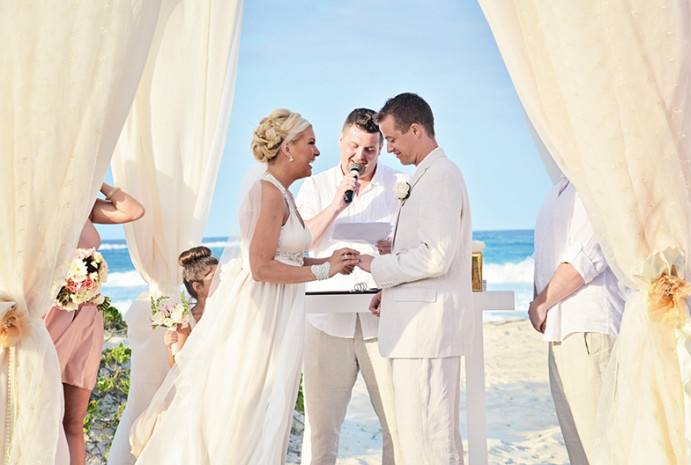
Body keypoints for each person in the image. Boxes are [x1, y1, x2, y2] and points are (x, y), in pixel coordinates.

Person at [130, 109, 360, 464]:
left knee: (263, 409)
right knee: (248, 408)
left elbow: (287, 256)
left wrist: (329, 263)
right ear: (287, 148)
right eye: (311, 143)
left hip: (278, 311)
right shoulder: (267, 192)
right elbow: (261, 266)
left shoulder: (282, 192)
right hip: (261, 319)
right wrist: (322, 273)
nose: (317, 152)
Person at [357, 93, 472, 465]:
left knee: (431, 440)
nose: (388, 148)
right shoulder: (426, 175)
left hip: (426, 332)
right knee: (417, 437)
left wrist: (375, 266)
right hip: (414, 328)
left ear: (417, 129)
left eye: (392, 139)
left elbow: (437, 256)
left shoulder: (440, 176)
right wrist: (390, 288)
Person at [296, 107, 406, 465]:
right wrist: (336, 204)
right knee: (322, 428)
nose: (360, 156)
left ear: (380, 149)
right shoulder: (313, 187)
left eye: (370, 150)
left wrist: (395, 249)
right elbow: (299, 246)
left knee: (397, 426)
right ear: (341, 141)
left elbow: (416, 247)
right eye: (354, 146)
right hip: (325, 321)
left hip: (383, 320)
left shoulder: (400, 186)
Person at [44, 182, 144, 465]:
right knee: (40, 411)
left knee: (74, 422)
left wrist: (96, 182)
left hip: (87, 317)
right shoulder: (35, 203)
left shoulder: (83, 202)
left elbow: (133, 210)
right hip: (54, 314)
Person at [528, 177, 624, 465]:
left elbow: (586, 257)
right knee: (578, 446)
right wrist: (538, 303)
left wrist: (542, 302)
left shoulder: (595, 181)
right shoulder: (559, 187)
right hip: (560, 331)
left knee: (602, 447)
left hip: (589, 330)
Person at [163, 246, 219, 367]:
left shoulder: (231, 306)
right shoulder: (186, 321)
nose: (222, 279)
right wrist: (169, 347)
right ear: (198, 287)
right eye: (214, 277)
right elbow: (176, 366)